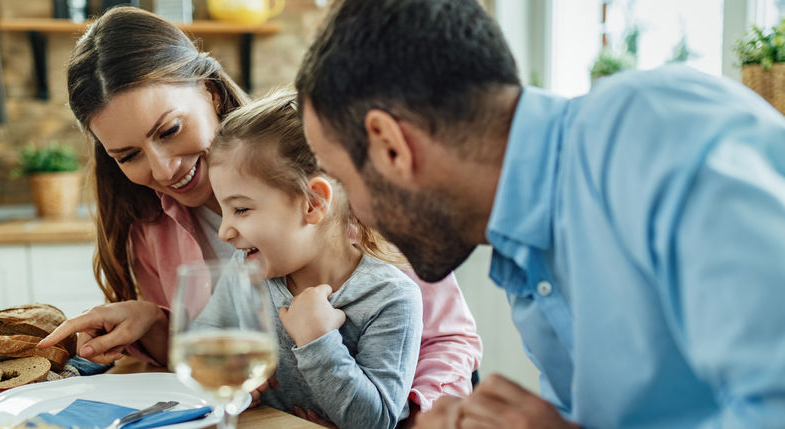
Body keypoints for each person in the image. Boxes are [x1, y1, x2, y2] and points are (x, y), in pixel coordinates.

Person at [294, 0, 785, 427]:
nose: (352, 212)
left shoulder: (657, 136)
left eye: (343, 180)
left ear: (391, 147)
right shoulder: (524, 251)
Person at [37, 5, 482, 414]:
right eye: (127, 155)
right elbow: (208, 359)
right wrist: (153, 323)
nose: (163, 168)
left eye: (170, 129)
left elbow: (449, 339)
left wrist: (405, 419)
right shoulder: (147, 228)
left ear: (210, 93)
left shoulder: (341, 176)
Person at [195, 89, 422, 429]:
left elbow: (374, 422)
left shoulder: (389, 298)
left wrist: (318, 341)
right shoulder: (246, 271)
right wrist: (226, 374)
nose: (224, 231)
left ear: (313, 202)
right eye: (225, 210)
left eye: (240, 208)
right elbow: (205, 341)